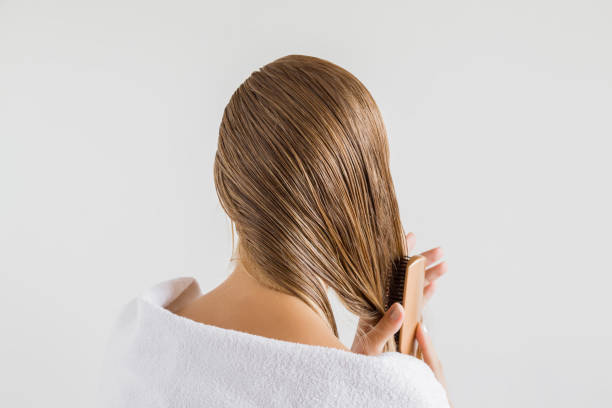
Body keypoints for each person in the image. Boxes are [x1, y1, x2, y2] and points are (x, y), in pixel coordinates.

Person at [101, 55, 451, 407]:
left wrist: (357, 374)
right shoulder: (398, 397)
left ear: (227, 193)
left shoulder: (137, 345)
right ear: (363, 205)